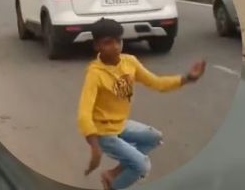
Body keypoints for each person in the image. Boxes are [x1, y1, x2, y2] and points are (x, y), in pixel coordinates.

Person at [79, 18, 206, 190]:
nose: (115, 46)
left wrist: (187, 78)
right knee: (142, 166)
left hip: (120, 125)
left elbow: (157, 83)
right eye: (107, 43)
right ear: (97, 46)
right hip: (103, 133)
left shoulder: (129, 62)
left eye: (118, 41)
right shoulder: (95, 74)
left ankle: (112, 175)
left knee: (154, 138)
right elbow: (84, 114)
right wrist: (95, 147)